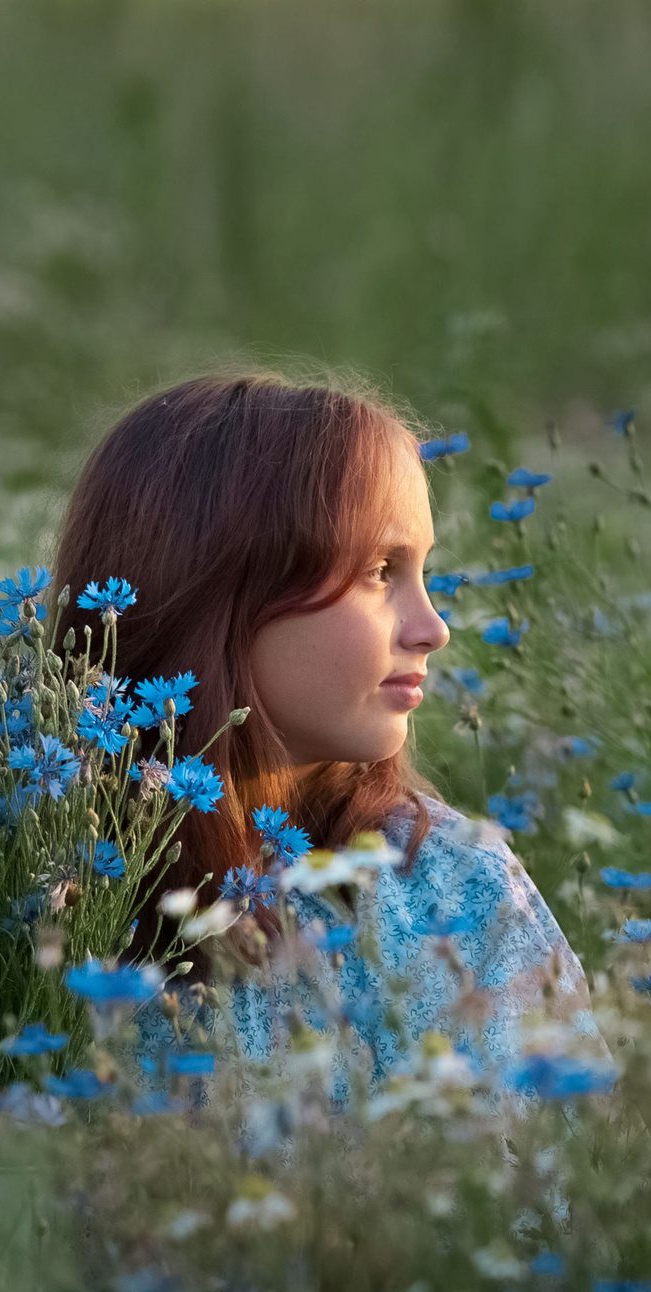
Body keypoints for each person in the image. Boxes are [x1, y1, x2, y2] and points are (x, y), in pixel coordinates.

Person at [52, 368, 602, 1092]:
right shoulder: (40, 899)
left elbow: (565, 1186)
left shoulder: (455, 892)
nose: (433, 628)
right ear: (227, 591)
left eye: (423, 572)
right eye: (381, 570)